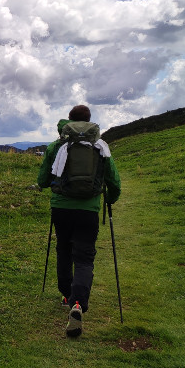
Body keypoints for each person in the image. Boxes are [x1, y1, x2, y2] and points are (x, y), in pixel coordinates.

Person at [37, 105, 121, 337]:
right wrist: (110, 200)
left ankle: (66, 294)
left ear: (69, 122)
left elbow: (42, 180)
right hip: (88, 210)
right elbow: (114, 180)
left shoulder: (57, 146)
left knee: (64, 249)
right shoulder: (100, 146)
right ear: (89, 122)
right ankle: (78, 304)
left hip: (61, 209)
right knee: (84, 257)